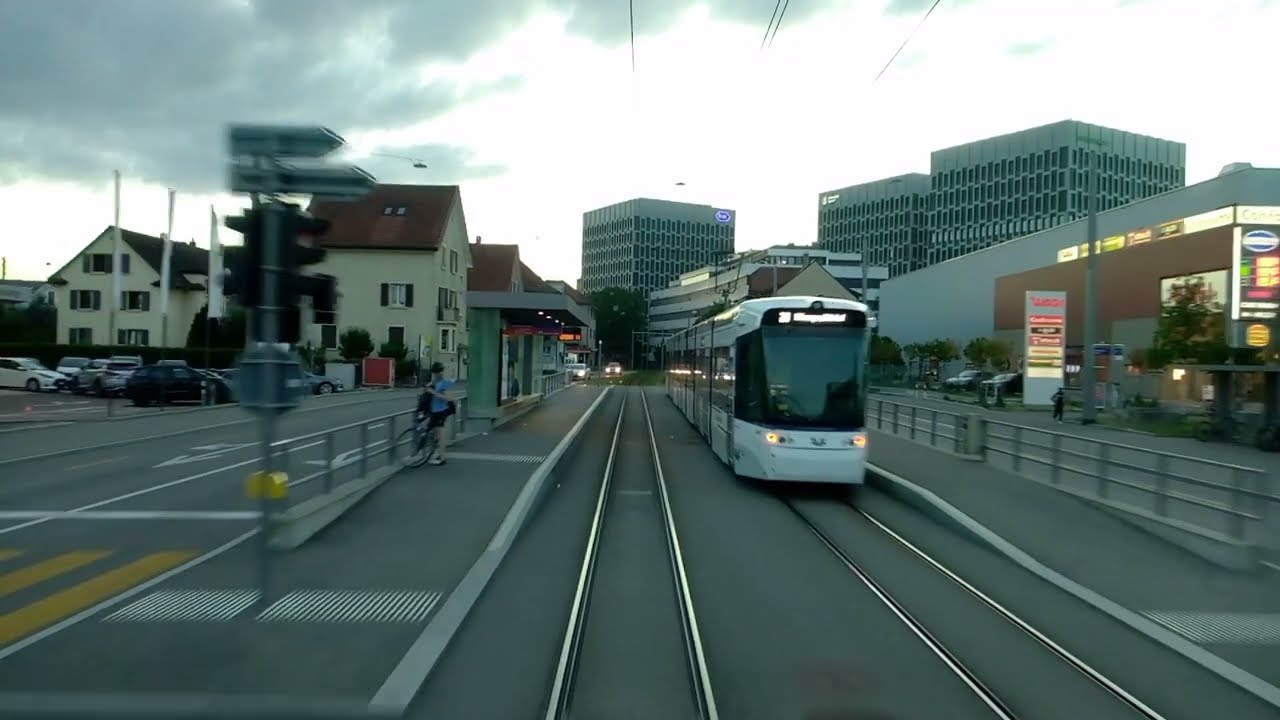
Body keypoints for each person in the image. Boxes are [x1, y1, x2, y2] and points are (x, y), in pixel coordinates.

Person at [415, 362, 455, 465]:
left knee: (440, 435)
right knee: (436, 434)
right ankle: (438, 454)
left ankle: (442, 458)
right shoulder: (435, 381)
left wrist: (433, 392)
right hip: (434, 411)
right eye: (437, 371)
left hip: (440, 411)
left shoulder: (444, 383)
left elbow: (448, 398)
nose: (439, 373)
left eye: (440, 371)